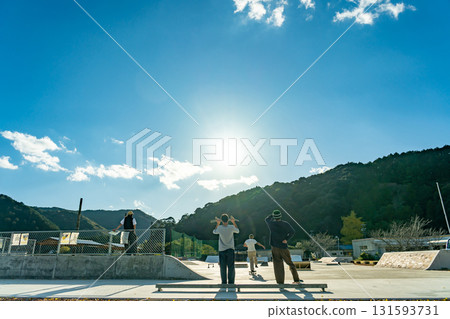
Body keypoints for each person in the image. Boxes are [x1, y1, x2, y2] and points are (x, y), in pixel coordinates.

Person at [265, 209, 302, 284]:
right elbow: (292, 231)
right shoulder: (285, 224)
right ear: (280, 216)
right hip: (283, 246)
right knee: (290, 263)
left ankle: (280, 282)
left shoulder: (271, 224)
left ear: (274, 217)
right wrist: (286, 239)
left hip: (275, 247)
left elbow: (266, 219)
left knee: (278, 265)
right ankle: (296, 280)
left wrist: (272, 215)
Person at [213, 213, 239, 285]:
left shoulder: (220, 228)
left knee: (222, 267)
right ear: (228, 220)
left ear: (222, 220)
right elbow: (237, 230)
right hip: (230, 249)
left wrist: (218, 223)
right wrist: (233, 222)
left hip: (222, 250)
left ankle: (224, 282)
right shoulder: (231, 227)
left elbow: (214, 232)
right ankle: (231, 282)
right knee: (231, 266)